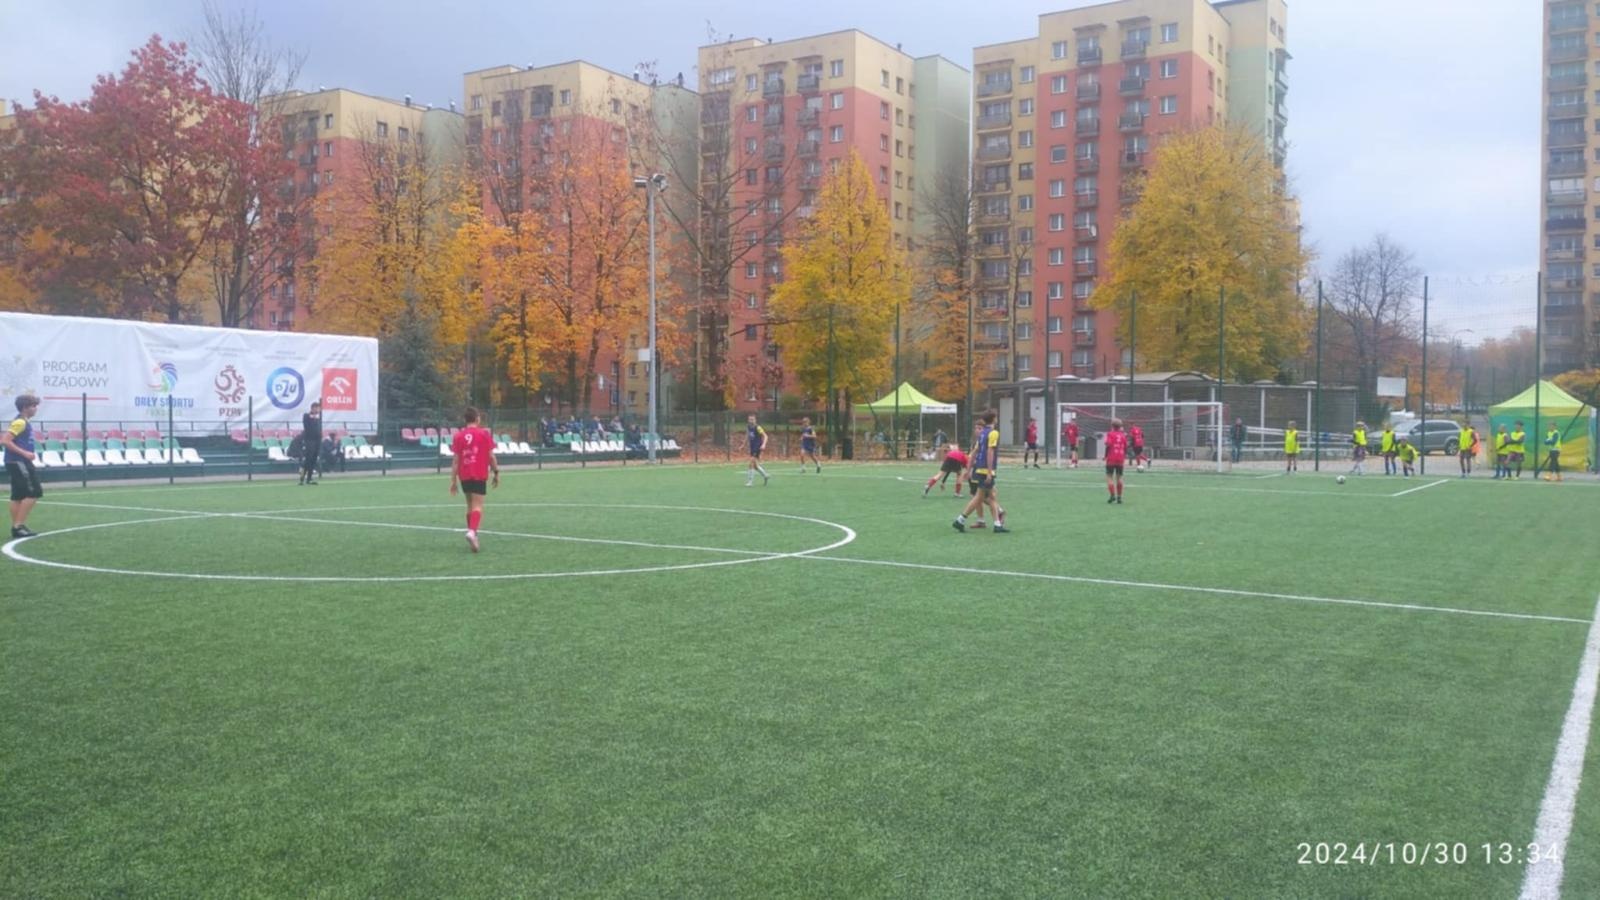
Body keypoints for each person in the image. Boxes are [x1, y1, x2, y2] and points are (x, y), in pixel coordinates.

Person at [449, 407, 500, 553]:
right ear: (477, 418)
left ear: (465, 420)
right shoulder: (483, 434)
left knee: (470, 505)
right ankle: (472, 532)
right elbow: (491, 456)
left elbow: (456, 461)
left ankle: (473, 535)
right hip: (478, 474)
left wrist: (453, 481)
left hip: (464, 475)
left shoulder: (458, 436)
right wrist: (496, 472)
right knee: (478, 506)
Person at [953, 410, 1008, 533]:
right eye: (996, 417)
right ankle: (960, 520)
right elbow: (990, 451)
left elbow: (973, 454)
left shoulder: (982, 433)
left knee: (989, 496)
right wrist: (989, 471)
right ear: (993, 419)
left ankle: (997, 524)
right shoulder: (993, 433)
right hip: (985, 470)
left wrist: (968, 470)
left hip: (979, 469)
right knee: (980, 497)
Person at [3, 394, 43, 538]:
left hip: (15, 462)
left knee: (17, 496)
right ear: (25, 408)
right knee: (34, 492)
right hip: (19, 462)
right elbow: (6, 441)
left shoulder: (23, 422)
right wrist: (25, 454)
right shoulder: (20, 422)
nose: (36, 408)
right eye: (33, 406)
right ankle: (18, 525)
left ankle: (18, 527)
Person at [1102, 418, 1129, 504]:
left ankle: (1112, 495)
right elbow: (1125, 448)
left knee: (1109, 477)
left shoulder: (1110, 434)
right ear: (1120, 426)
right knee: (1119, 477)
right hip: (1120, 458)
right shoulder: (1123, 435)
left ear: (1112, 426)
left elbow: (1108, 445)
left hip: (1111, 458)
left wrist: (1105, 456)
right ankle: (1119, 497)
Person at [299, 400, 322, 485]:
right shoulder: (306, 416)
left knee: (313, 460)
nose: (318, 410)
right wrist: (313, 416)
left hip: (317, 441)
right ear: (313, 408)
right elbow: (307, 423)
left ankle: (309, 478)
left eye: (319, 408)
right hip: (309, 441)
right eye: (316, 408)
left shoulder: (318, 418)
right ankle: (302, 477)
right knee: (308, 459)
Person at [745, 414, 770, 486]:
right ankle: (765, 476)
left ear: (755, 420)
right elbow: (747, 436)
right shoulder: (748, 427)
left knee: (751, 462)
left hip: (757, 447)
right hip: (752, 447)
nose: (751, 421)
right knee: (755, 466)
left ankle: (750, 482)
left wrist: (763, 444)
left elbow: (765, 436)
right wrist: (743, 445)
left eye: (752, 419)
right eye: (750, 419)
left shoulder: (758, 427)